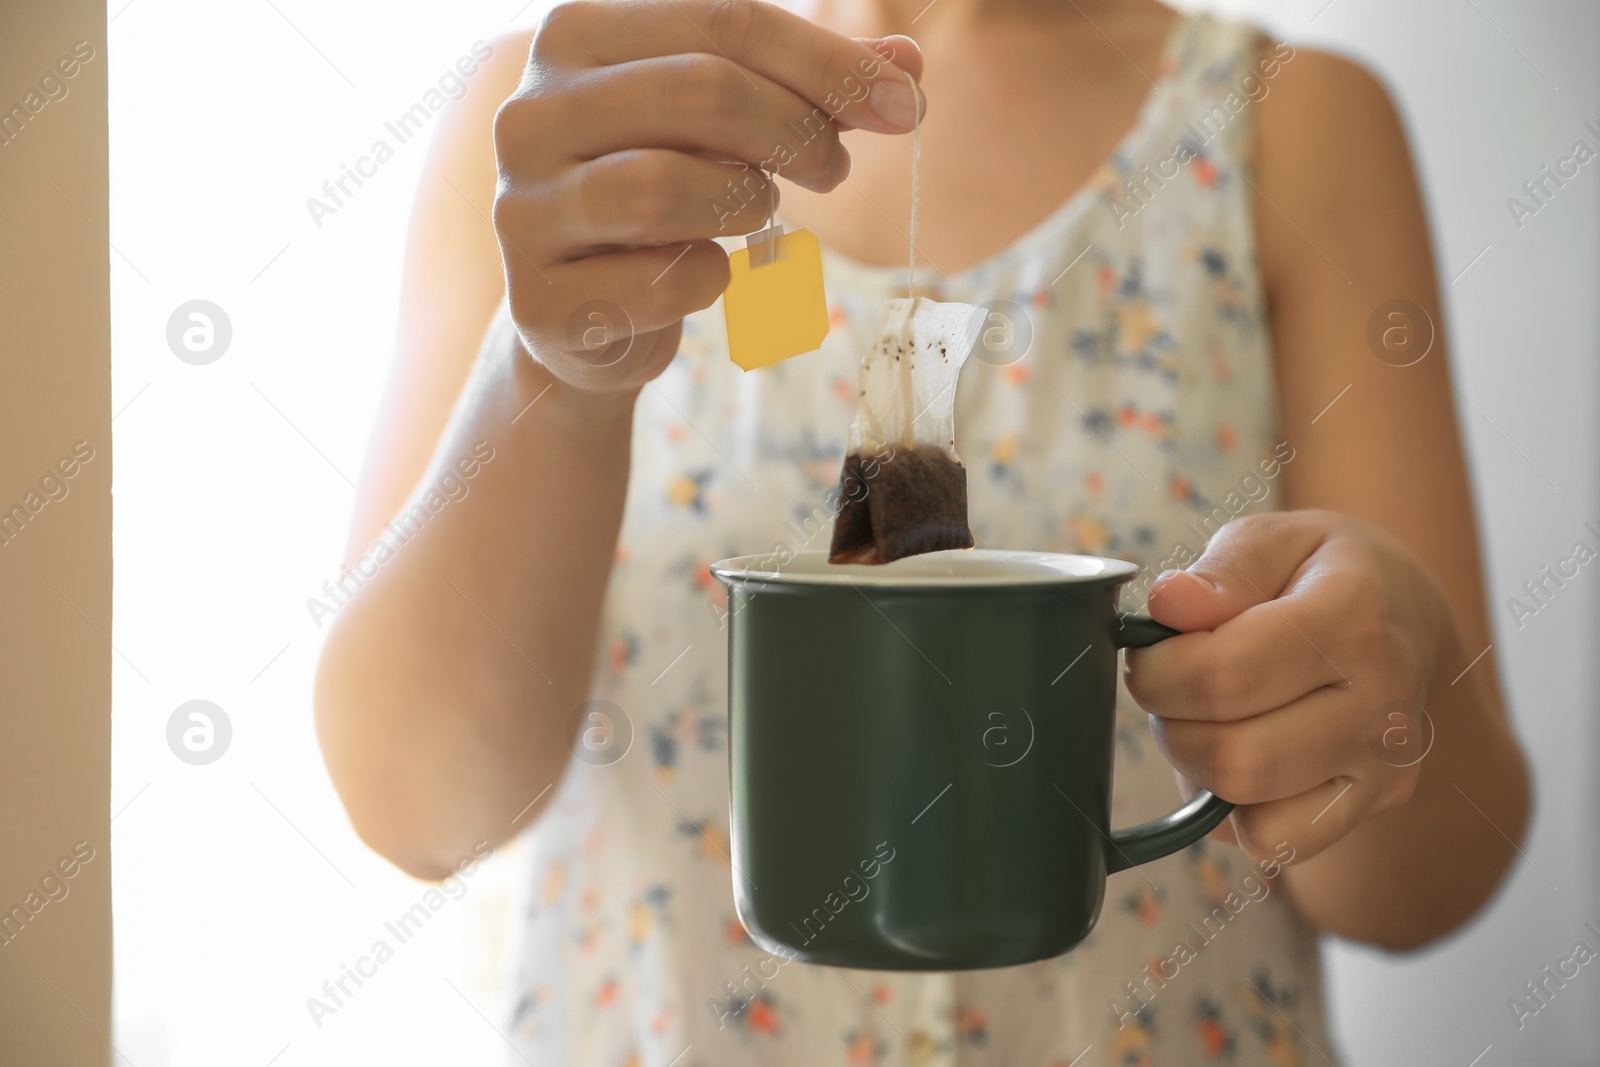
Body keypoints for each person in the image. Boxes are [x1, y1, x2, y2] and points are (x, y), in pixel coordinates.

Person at [313, 0, 1531, 1061]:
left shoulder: (1285, 119)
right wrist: (554, 380)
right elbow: (420, 810)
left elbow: (1426, 885)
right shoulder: (567, 130)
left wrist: (1389, 680)